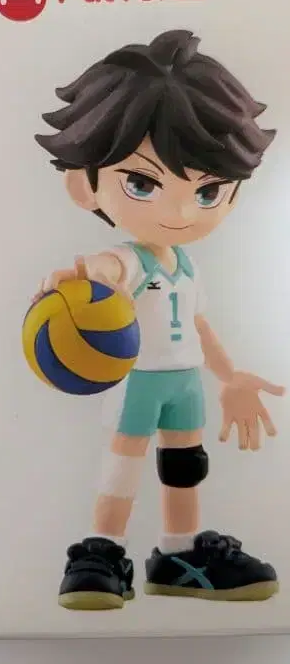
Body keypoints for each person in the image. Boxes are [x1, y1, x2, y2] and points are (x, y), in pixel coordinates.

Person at [34, 30, 284, 610]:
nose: (180, 210)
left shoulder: (185, 264)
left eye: (208, 191)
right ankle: (102, 549)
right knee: (123, 466)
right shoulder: (131, 258)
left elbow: (198, 326)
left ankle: (179, 553)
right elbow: (108, 270)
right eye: (143, 183)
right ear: (84, 185)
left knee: (185, 465)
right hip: (140, 380)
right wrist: (85, 274)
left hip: (186, 380)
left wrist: (230, 376)